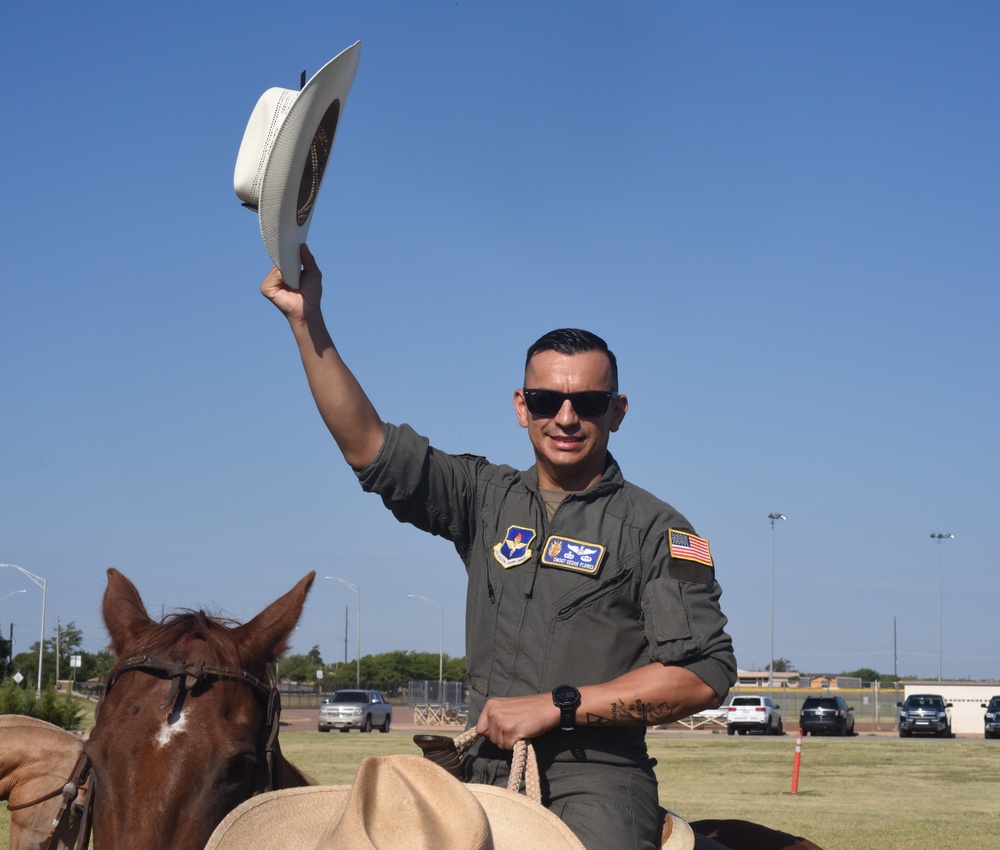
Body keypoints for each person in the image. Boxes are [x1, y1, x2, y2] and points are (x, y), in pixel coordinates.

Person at [261, 245, 737, 850]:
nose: (565, 417)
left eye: (587, 402)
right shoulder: (483, 497)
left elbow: (704, 674)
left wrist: (559, 707)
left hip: (596, 781)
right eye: (545, 400)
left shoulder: (660, 531)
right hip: (474, 764)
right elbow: (370, 449)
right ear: (521, 407)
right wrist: (308, 322)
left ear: (617, 412)